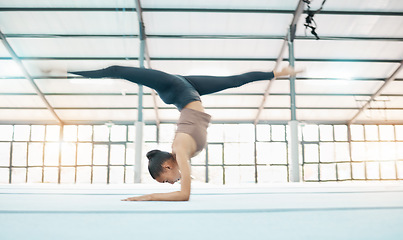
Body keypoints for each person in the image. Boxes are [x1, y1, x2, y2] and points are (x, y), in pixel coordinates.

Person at [68, 65, 301, 201]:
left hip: (176, 89)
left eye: (165, 180)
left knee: (117, 70)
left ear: (167, 167)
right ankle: (277, 73)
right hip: (190, 90)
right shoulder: (181, 155)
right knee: (234, 82)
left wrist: (145, 197)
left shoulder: (179, 151)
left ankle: (70, 71)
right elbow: (185, 192)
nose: (170, 183)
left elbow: (184, 195)